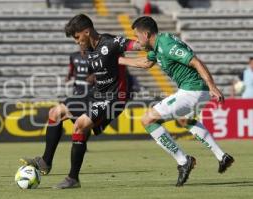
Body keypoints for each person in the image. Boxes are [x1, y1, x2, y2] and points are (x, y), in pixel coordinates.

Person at [20, 14, 141, 189]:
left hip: (113, 98)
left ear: (87, 31)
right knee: (55, 112)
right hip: (96, 93)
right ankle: (45, 161)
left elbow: (136, 45)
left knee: (80, 125)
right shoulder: (89, 50)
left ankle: (72, 178)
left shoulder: (110, 42)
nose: (76, 42)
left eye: (77, 37)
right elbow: (109, 65)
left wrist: (153, 46)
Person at [119, 16, 234, 186]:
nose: (137, 39)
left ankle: (183, 160)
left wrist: (212, 86)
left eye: (137, 35)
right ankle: (222, 156)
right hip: (195, 91)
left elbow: (195, 61)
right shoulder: (157, 46)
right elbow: (145, 63)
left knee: (147, 119)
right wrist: (118, 60)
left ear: (146, 33)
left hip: (192, 91)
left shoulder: (166, 44)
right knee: (185, 120)